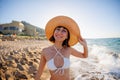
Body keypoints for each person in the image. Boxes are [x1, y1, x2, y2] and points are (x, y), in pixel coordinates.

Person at [35, 16, 88, 80]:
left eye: (64, 31)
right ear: (54, 32)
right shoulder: (45, 51)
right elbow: (39, 72)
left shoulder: (69, 49)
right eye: (58, 29)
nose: (59, 32)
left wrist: (85, 46)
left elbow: (84, 56)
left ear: (66, 36)